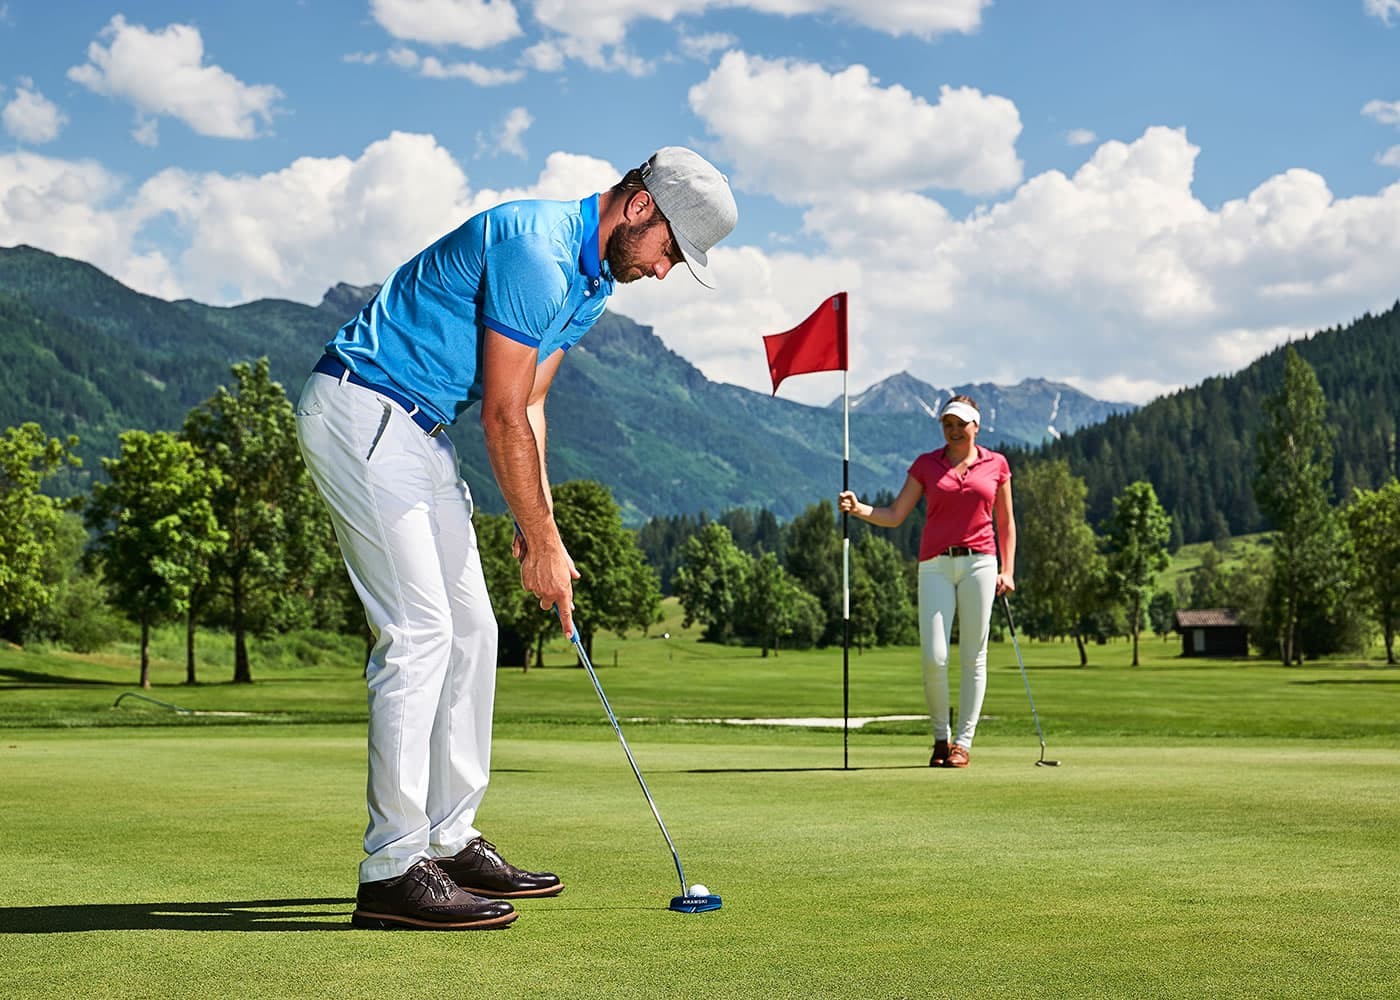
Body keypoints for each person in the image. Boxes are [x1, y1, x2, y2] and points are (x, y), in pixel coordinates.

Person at [294, 147, 737, 930]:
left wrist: (548, 535)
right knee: (421, 631)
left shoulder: (592, 286)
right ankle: (393, 869)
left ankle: (449, 836)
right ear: (639, 208)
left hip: (422, 433)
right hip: (363, 407)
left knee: (474, 629)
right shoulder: (535, 247)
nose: (666, 271)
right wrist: (532, 540)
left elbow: (530, 407)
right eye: (672, 249)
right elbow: (499, 414)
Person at [838, 395, 1016, 769]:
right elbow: (896, 513)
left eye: (960, 424)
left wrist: (1007, 570)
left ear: (976, 426)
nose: (953, 430)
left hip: (981, 564)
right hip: (934, 565)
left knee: (973, 656)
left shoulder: (996, 464)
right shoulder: (926, 465)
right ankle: (941, 738)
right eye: (947, 424)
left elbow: (1006, 522)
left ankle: (963, 744)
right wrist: (860, 509)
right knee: (934, 656)